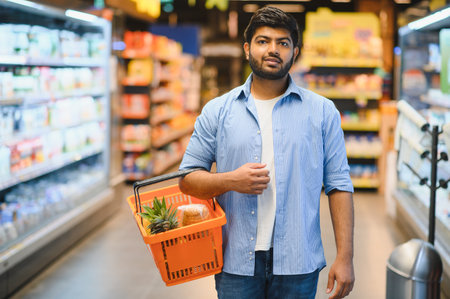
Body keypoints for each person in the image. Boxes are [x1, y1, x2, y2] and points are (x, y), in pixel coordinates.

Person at [179, 6, 354, 299]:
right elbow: (187, 179)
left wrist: (345, 257)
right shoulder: (218, 111)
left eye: (283, 43)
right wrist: (230, 180)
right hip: (236, 260)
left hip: (298, 262)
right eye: (263, 41)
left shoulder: (322, 112)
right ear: (247, 48)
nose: (273, 50)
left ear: (295, 51)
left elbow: (339, 185)